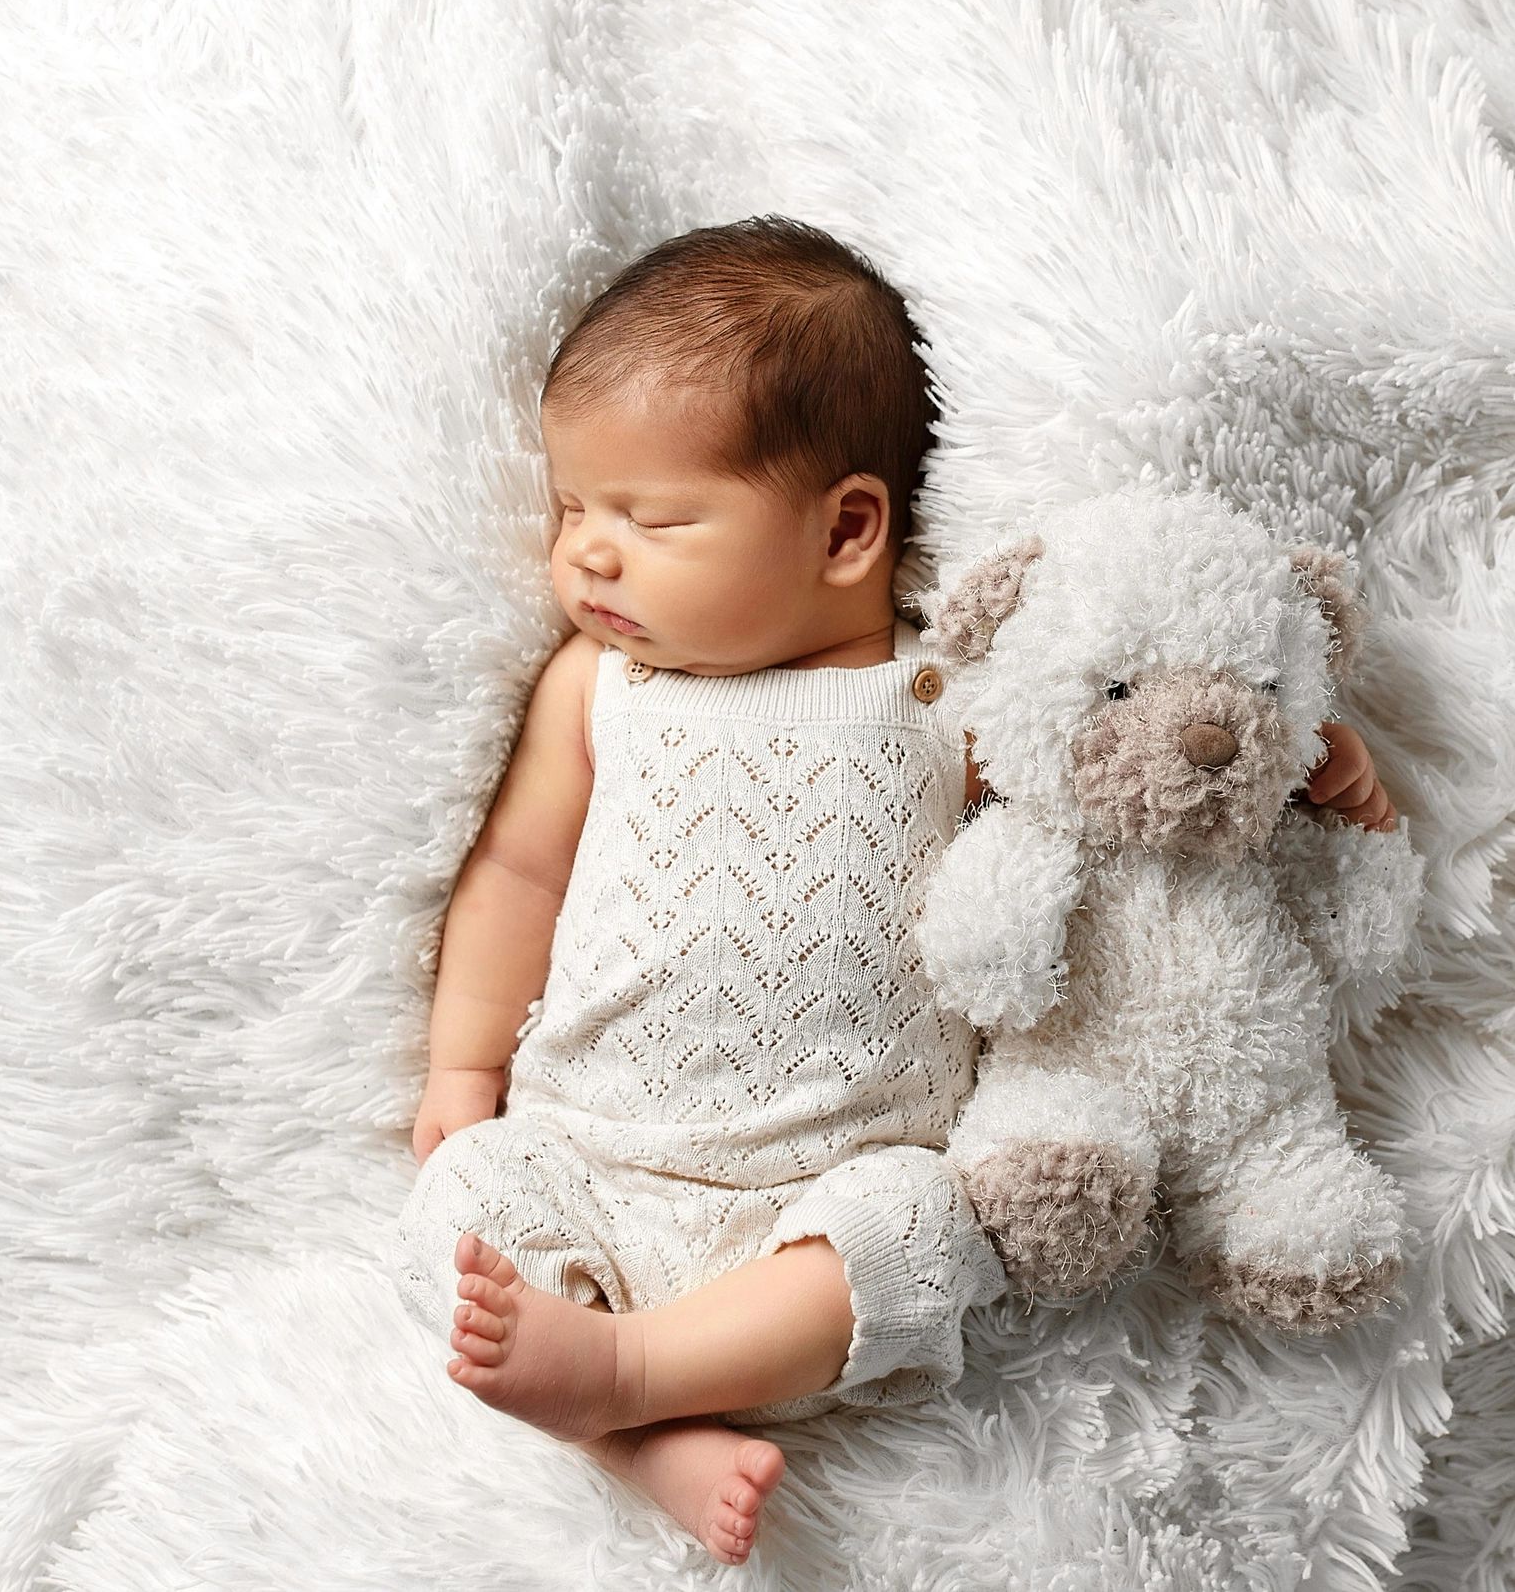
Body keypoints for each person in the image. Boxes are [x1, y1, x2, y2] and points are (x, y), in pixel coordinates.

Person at [392, 216, 1398, 1567]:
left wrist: (1295, 753)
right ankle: (637, 1418)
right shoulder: (601, 687)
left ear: (847, 529)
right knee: (457, 1211)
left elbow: (1114, 761)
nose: (587, 555)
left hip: (832, 1174)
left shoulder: (941, 695)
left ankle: (631, 1384)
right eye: (575, 508)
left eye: (651, 517)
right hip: (590, 1147)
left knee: (928, 1230)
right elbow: (516, 869)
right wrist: (461, 1072)